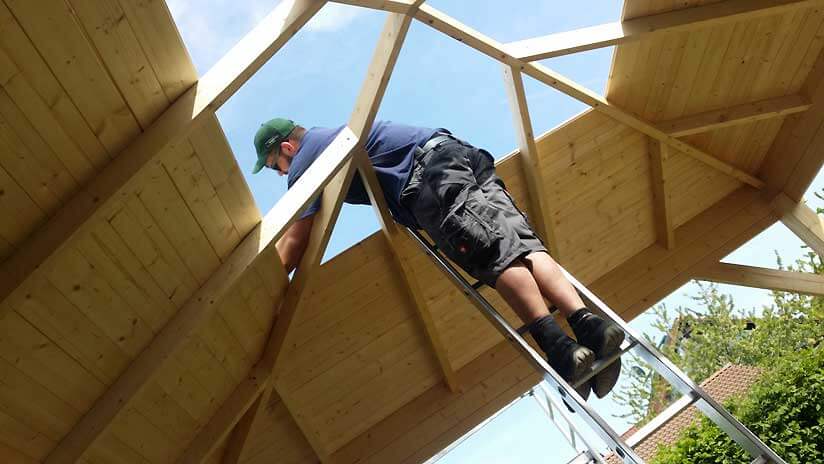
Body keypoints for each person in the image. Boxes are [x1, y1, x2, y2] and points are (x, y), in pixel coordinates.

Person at [252, 118, 624, 399]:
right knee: (524, 247)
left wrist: (263, 286)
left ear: (287, 147)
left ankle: (560, 348)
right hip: (458, 155)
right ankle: (589, 324)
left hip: (430, 177)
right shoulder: (335, 135)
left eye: (274, 165)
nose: (280, 173)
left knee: (495, 258)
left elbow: (296, 239)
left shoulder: (306, 158)